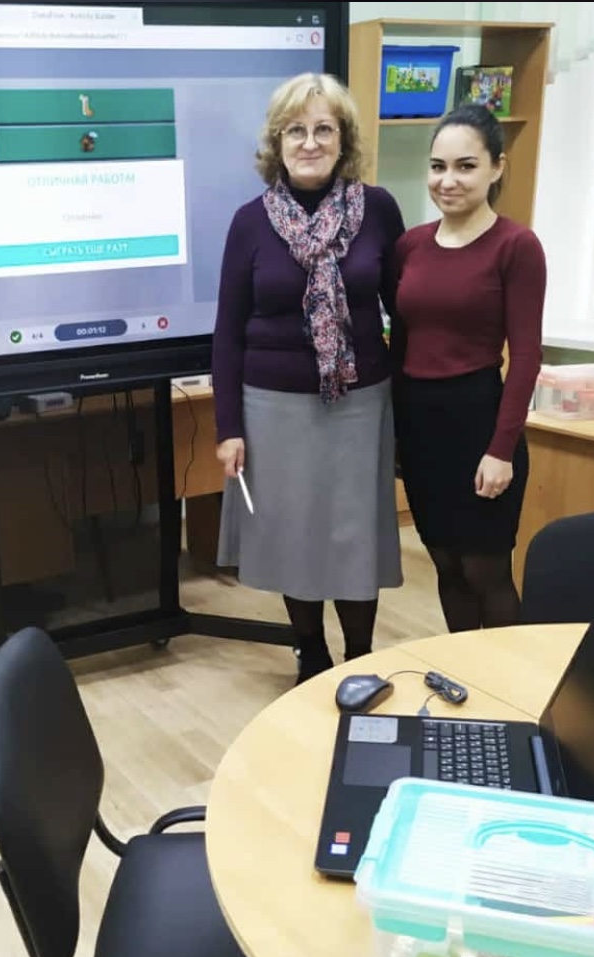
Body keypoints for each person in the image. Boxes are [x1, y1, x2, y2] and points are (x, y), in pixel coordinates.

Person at [212, 73, 405, 684]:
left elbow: (404, 310)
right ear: (277, 141)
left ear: (344, 139)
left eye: (324, 129)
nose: (310, 142)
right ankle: (312, 654)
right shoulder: (250, 222)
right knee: (294, 536)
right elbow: (227, 331)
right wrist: (228, 427)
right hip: (272, 408)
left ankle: (361, 656)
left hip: (360, 403)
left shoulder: (379, 210)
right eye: (296, 130)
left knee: (353, 536)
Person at [392, 103, 547, 632]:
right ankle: (463, 671)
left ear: (497, 167)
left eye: (465, 166)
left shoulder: (516, 246)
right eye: (438, 166)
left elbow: (526, 355)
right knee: (446, 564)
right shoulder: (411, 245)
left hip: (479, 421)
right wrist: (395, 433)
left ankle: (507, 676)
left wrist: (501, 450)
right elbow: (401, 343)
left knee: (485, 569)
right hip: (420, 426)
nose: (448, 180)